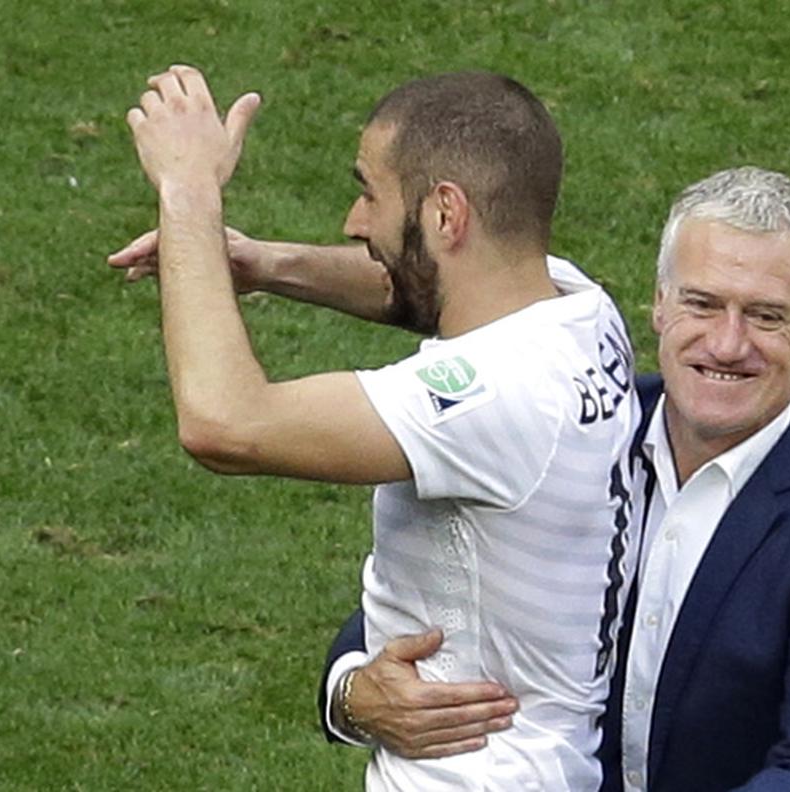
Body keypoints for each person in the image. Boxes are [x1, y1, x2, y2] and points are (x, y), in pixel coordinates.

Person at [114, 66, 640, 791]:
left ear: (446, 214)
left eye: (369, 193)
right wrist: (268, 264)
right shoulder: (577, 310)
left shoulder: (495, 396)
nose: (354, 223)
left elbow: (224, 422)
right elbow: (418, 286)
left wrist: (188, 194)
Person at [321, 166, 790, 791]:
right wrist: (353, 695)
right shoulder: (568, 428)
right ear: (660, 303)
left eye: (767, 316)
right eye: (702, 303)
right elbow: (426, 595)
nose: (726, 343)